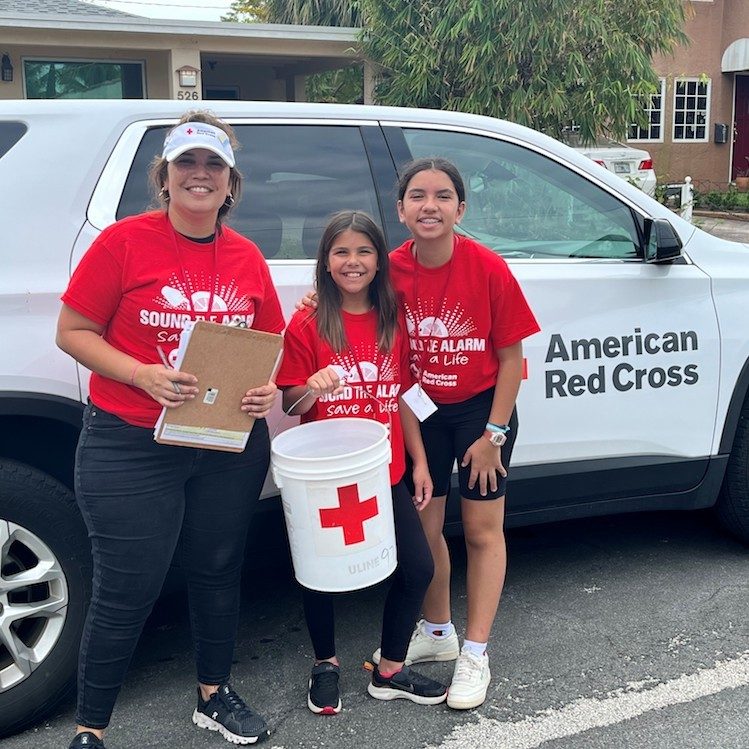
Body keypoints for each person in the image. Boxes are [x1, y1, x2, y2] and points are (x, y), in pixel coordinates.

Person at [56, 111, 285, 748]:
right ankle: (90, 728)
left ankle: (214, 694)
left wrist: (264, 388)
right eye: (187, 163)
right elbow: (72, 332)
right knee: (128, 585)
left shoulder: (246, 257)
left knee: (217, 569)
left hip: (224, 444)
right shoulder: (124, 243)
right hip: (130, 441)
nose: (200, 175)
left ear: (230, 182)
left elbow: (267, 345)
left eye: (213, 164)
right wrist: (142, 374)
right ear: (165, 177)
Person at [299, 158, 539, 710]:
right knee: (425, 533)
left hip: (484, 414)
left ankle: (475, 652)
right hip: (420, 412)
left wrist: (493, 435)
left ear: (461, 208)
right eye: (417, 196)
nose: (430, 205)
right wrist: (316, 298)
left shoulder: (488, 268)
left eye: (443, 195)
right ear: (401, 208)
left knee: (481, 531)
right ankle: (437, 631)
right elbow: (346, 291)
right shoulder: (391, 269)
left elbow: (511, 358)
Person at [276, 210, 447, 715]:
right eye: (341, 252)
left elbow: (402, 395)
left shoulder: (393, 316)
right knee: (317, 573)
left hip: (382, 469)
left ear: (379, 259)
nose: (353, 262)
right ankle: (324, 663)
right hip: (326, 477)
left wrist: (418, 462)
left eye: (364, 251)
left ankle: (390, 669)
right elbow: (288, 404)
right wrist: (309, 388)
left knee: (417, 566)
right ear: (326, 262)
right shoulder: (307, 320)